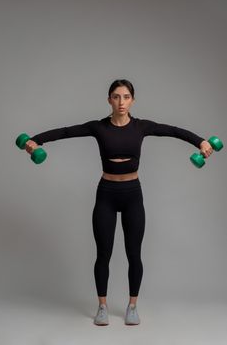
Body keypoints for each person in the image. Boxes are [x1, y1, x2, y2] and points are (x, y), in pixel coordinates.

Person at [25, 79, 213, 326]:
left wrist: (201, 141)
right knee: (103, 254)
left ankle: (132, 307)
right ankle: (102, 307)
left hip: (133, 194)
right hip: (106, 193)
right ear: (109, 100)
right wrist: (35, 140)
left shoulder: (142, 127)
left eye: (126, 97)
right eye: (116, 96)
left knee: (134, 254)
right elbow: (66, 131)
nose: (121, 102)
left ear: (133, 100)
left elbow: (174, 130)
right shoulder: (98, 127)